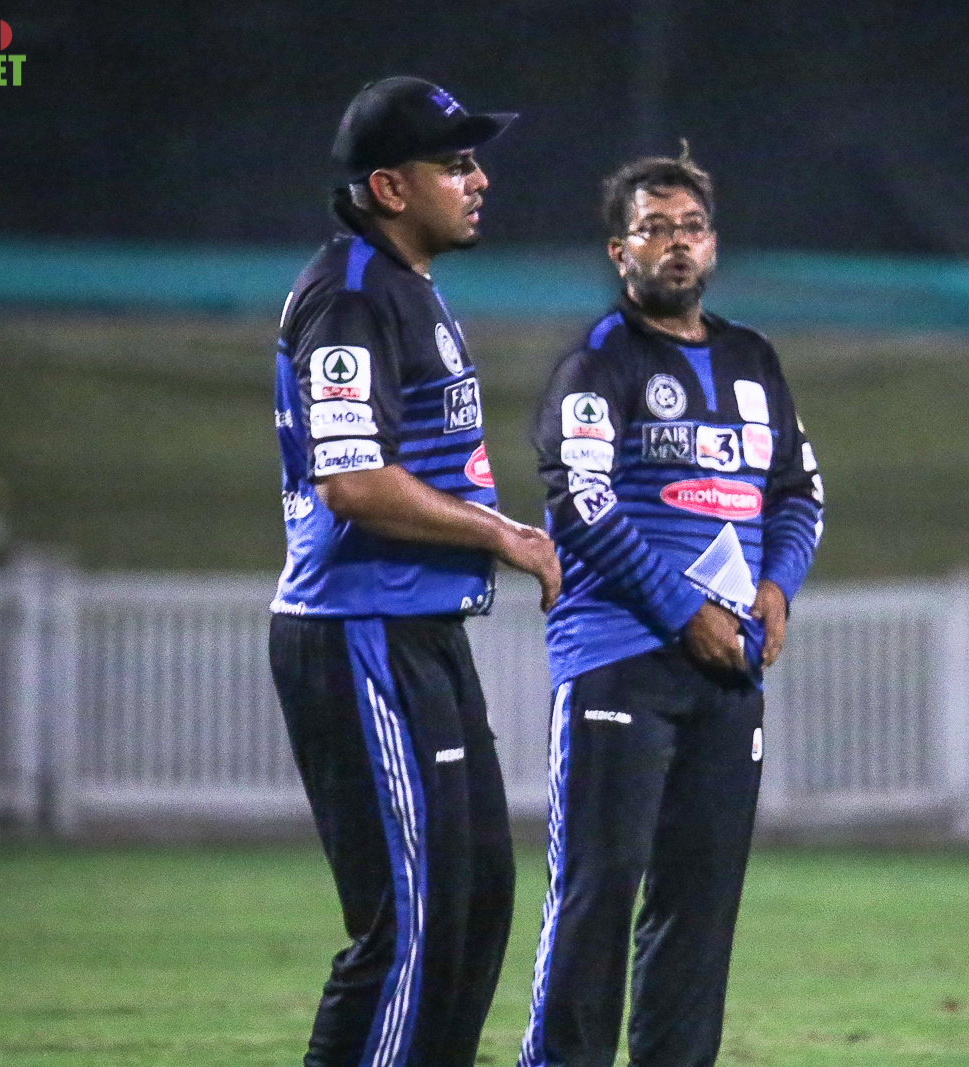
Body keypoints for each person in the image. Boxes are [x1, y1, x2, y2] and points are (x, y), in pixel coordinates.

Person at [268, 76, 560, 1067]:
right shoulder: (351, 294)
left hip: (413, 628)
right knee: (412, 919)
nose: (480, 181)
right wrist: (503, 534)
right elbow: (352, 482)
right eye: (456, 163)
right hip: (361, 630)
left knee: (473, 902)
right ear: (390, 188)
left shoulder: (402, 286)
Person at [518, 145, 824, 1067]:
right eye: (654, 229)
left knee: (700, 901)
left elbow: (798, 492)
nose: (676, 244)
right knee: (600, 888)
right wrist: (683, 612)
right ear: (621, 252)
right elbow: (583, 501)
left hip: (725, 668)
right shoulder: (597, 363)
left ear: (714, 245)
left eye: (691, 228)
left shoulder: (752, 358)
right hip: (620, 657)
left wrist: (776, 587)